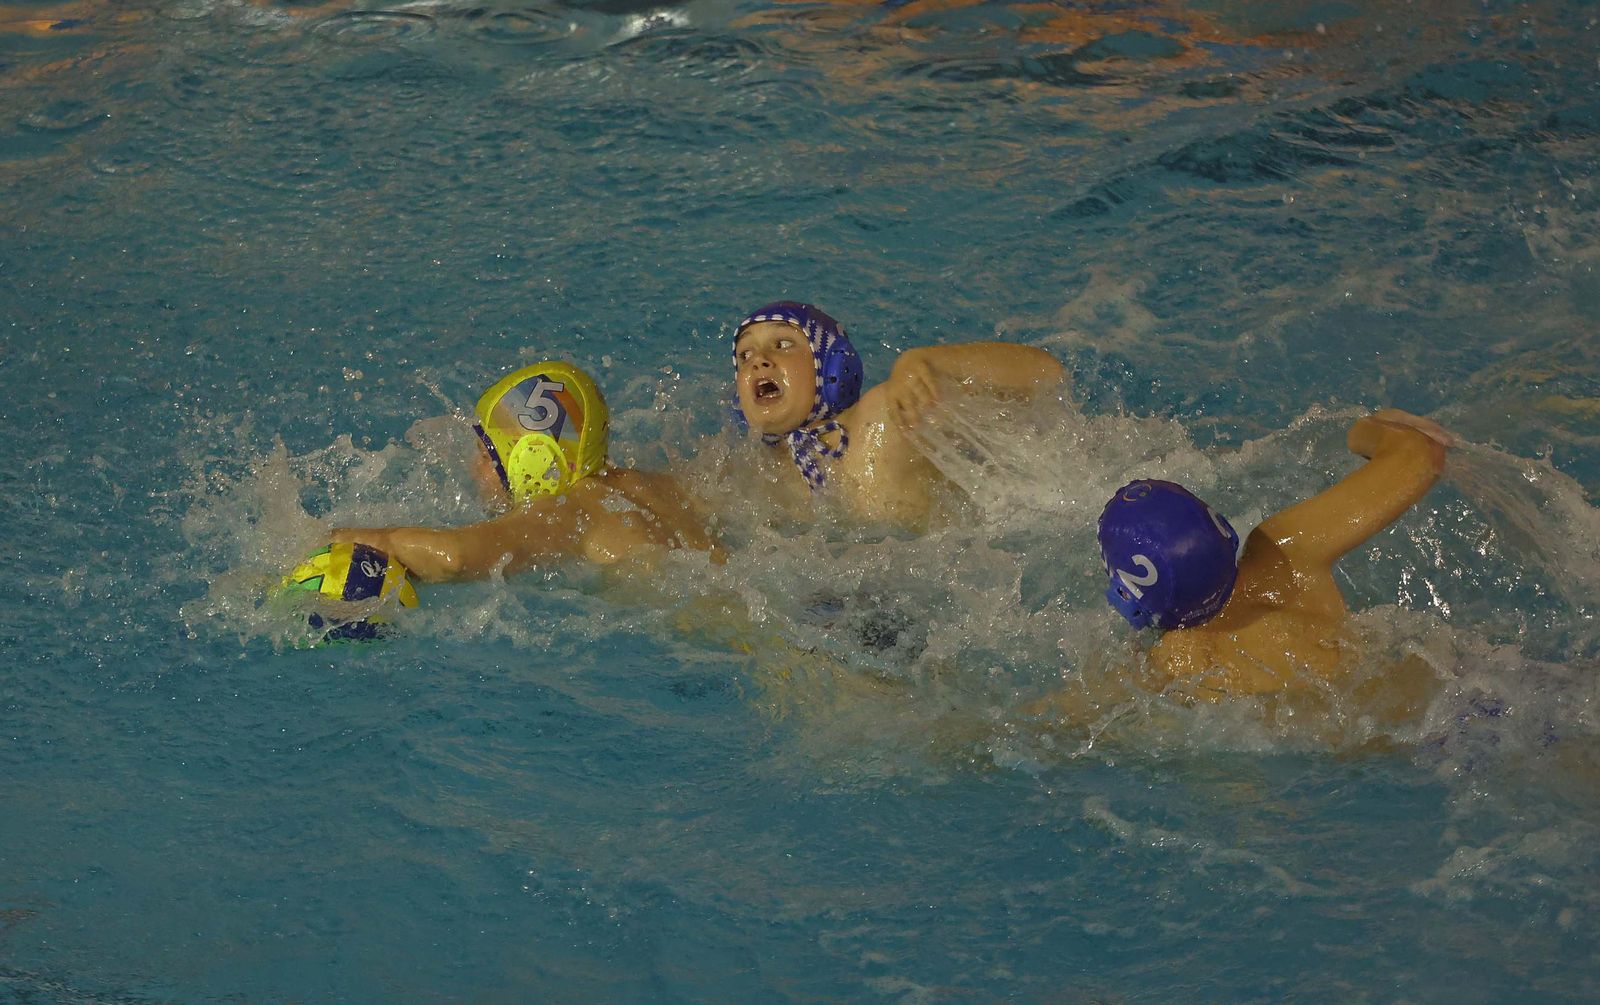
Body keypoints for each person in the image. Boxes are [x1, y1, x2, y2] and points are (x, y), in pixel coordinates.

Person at [1088, 408, 1455, 709]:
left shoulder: (1174, 667)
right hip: (1448, 694)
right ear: (1220, 529)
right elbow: (1420, 455)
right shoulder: (1284, 554)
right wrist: (1370, 425)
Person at [332, 360, 718, 581]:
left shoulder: (565, 510)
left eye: (485, 456)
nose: (473, 467)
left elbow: (453, 558)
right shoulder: (646, 484)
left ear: (534, 461)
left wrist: (334, 540)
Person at [730, 301, 1065, 529]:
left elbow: (1046, 374)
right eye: (745, 354)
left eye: (783, 345)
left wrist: (933, 364)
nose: (758, 361)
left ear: (833, 366)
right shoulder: (752, 476)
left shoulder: (887, 414)